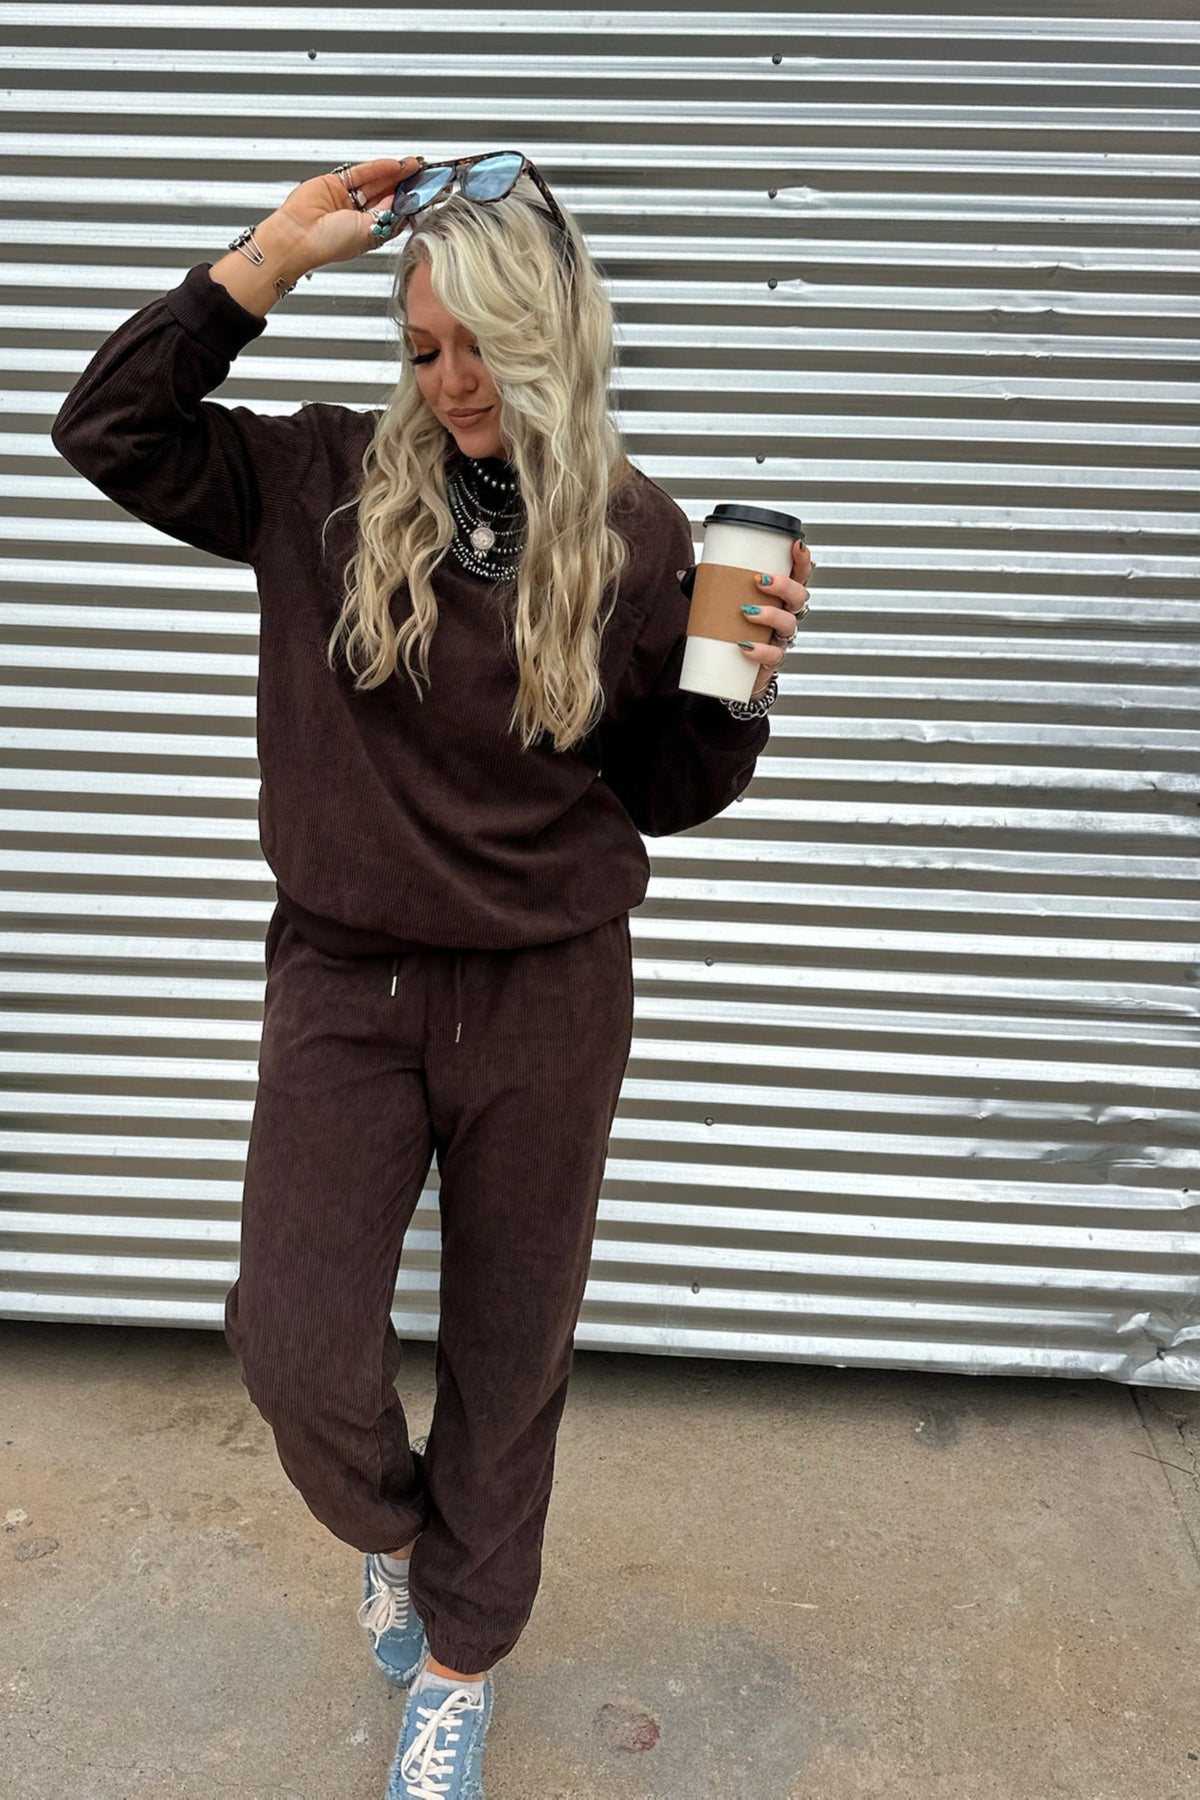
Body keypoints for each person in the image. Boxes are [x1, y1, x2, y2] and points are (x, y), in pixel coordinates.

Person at [50, 151, 812, 1800]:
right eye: (423, 348)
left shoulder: (637, 531)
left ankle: (463, 1657)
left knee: (510, 1350)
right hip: (350, 978)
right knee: (295, 1341)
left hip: (548, 989)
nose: (454, 384)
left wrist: (739, 685)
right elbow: (105, 429)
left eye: (486, 348)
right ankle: (401, 1543)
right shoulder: (319, 481)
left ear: (557, 340)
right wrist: (268, 258)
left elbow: (660, 793)